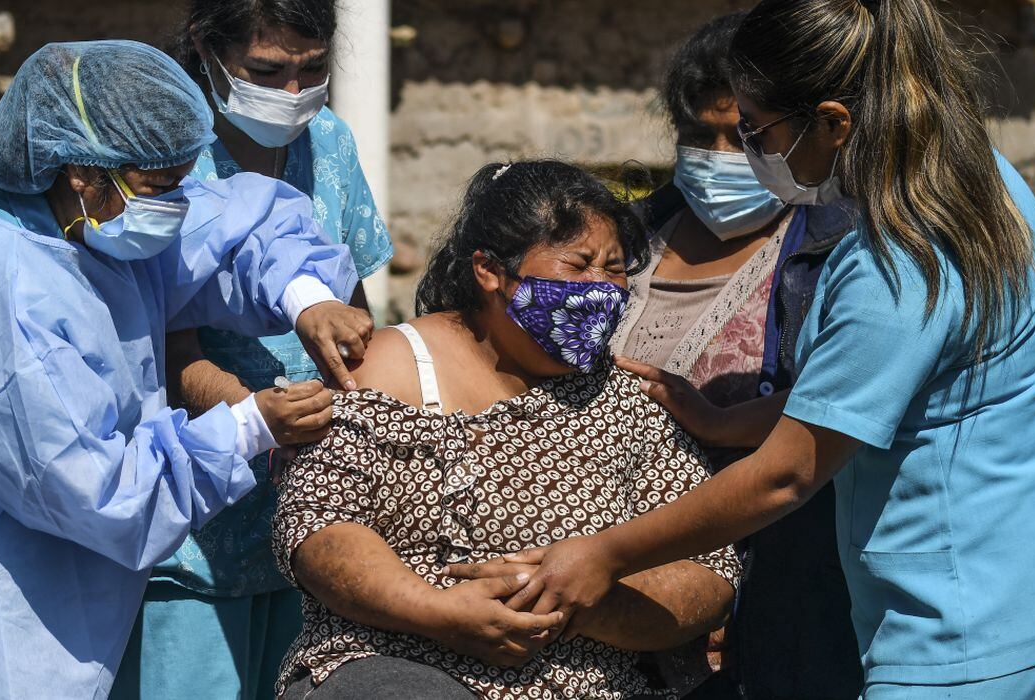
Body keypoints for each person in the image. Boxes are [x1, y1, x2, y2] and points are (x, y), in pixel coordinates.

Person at [471, 1, 1035, 698]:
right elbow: (892, 380)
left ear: (833, 122)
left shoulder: (897, 257)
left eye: (757, 132)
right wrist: (729, 422)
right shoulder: (980, 179)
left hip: (962, 628)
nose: (750, 155)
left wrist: (603, 555)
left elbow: (786, 476)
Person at [0, 40, 371, 699]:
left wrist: (306, 299)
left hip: (64, 583)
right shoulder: (5, 288)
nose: (174, 202)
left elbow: (230, 225)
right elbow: (103, 491)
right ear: (83, 170)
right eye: (159, 186)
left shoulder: (81, 218)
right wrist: (249, 427)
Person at [273, 161, 742, 699]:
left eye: (614, 269)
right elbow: (318, 526)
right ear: (490, 270)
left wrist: (586, 605)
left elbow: (710, 570)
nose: (601, 289)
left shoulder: (626, 398)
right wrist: (439, 612)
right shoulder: (389, 369)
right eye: (578, 265)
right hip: (401, 662)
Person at [113, 1, 394, 697]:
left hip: (314, 511)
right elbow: (162, 345)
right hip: (198, 514)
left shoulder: (326, 142)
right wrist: (258, 423)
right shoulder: (165, 159)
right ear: (208, 51)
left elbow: (356, 309)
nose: (293, 94)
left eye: (313, 70)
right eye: (267, 72)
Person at [609, 13, 860, 699]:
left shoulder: (837, 255)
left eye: (743, 133)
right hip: (608, 598)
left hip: (770, 592)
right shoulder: (624, 240)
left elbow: (829, 428)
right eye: (700, 135)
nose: (722, 156)